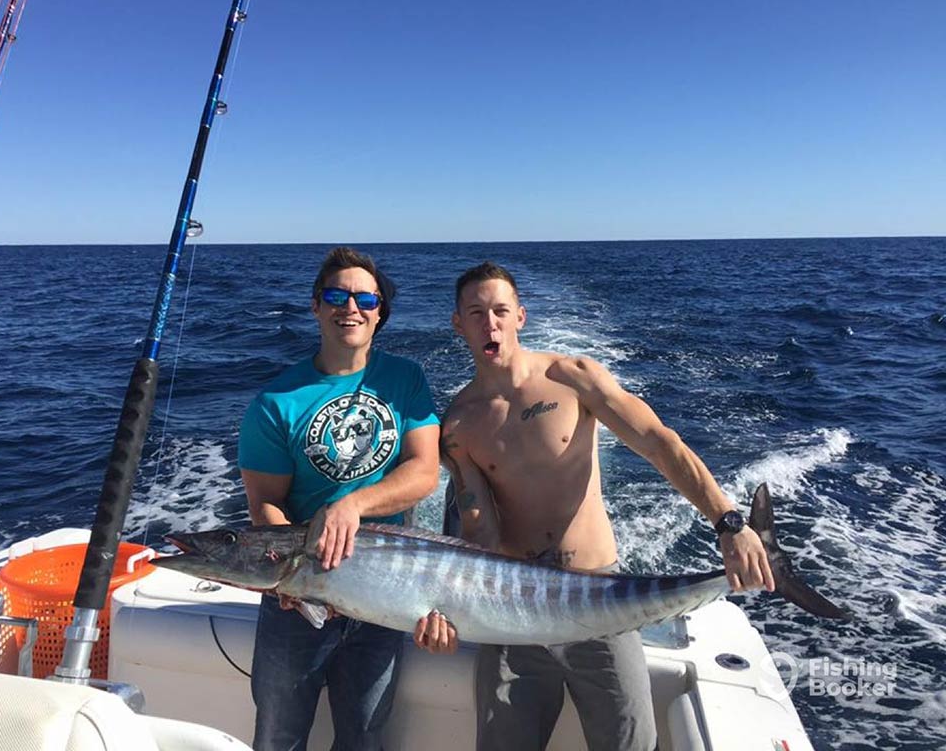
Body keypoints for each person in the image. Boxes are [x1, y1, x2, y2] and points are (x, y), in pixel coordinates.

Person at [413, 261, 775, 751]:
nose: (489, 323)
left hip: (599, 600)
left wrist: (729, 523)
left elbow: (658, 443)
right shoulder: (456, 424)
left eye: (500, 310)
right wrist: (451, 606)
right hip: (511, 609)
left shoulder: (574, 377)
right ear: (458, 324)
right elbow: (479, 526)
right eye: (475, 313)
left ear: (521, 316)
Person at [239, 246, 440, 751]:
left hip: (384, 595)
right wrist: (286, 572)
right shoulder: (275, 402)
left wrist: (351, 504)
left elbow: (423, 472)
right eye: (336, 295)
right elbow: (265, 503)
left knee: (364, 738)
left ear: (379, 313)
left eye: (365, 298)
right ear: (315, 306)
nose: (350, 307)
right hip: (297, 599)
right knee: (278, 739)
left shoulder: (405, 379)